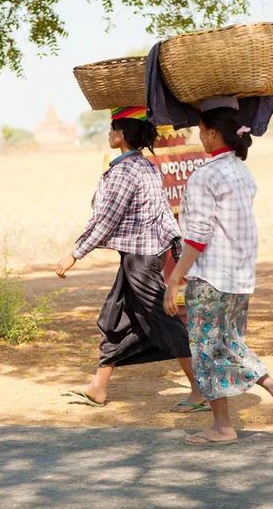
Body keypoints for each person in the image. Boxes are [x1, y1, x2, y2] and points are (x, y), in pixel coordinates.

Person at [56, 106, 209, 412]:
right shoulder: (148, 166)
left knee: (166, 320)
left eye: (113, 128)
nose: (109, 133)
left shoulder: (124, 171)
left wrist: (74, 255)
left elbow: (106, 219)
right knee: (117, 318)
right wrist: (177, 255)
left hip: (139, 261)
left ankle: (201, 389)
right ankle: (98, 387)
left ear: (123, 134)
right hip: (142, 258)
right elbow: (165, 215)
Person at [164, 106, 273, 444]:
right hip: (239, 277)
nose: (198, 136)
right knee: (228, 345)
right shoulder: (241, 171)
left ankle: (223, 426)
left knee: (207, 350)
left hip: (211, 277)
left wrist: (174, 278)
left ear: (212, 133)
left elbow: (197, 236)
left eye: (200, 129)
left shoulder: (205, 175)